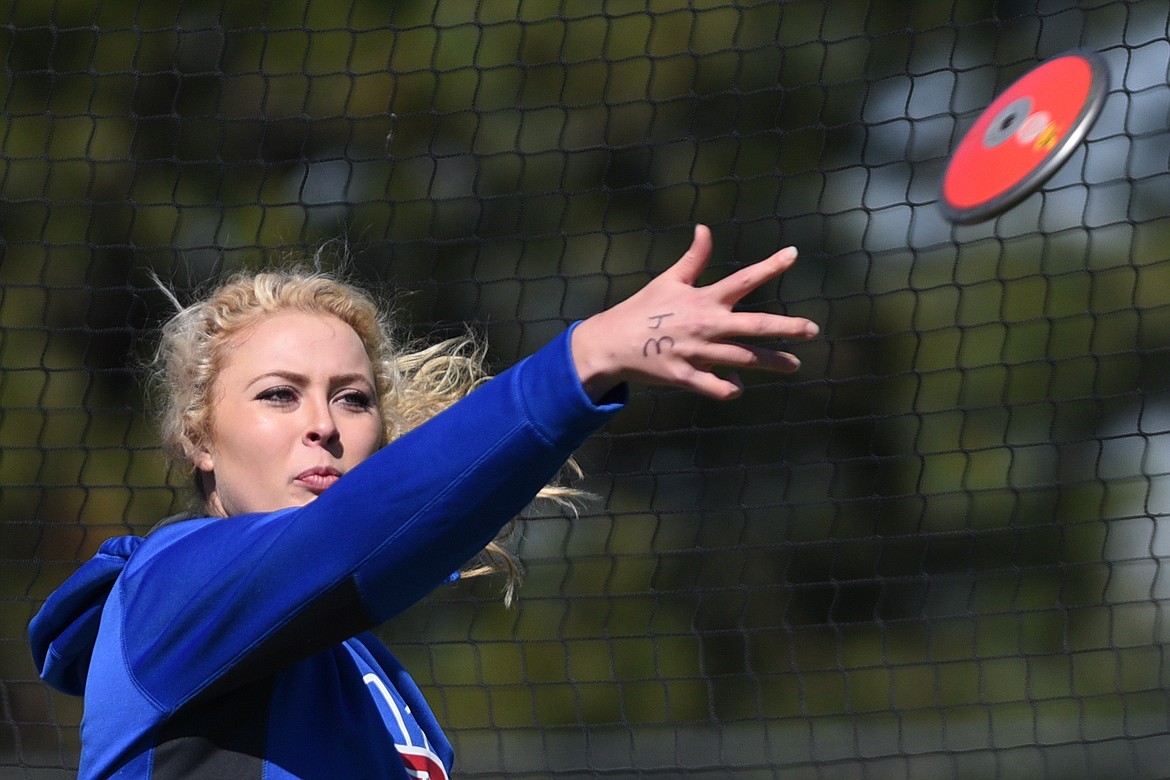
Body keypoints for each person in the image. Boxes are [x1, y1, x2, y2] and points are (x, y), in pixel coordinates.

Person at [28, 225, 819, 779]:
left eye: (353, 399)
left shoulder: (376, 680)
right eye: (278, 395)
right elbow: (350, 538)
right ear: (200, 440)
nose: (322, 427)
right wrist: (585, 360)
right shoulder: (168, 591)